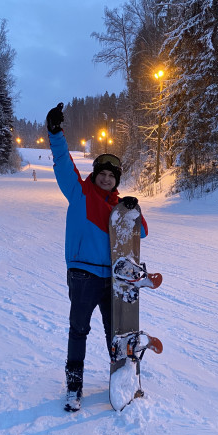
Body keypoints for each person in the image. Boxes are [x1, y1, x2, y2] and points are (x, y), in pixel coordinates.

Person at [46, 103, 148, 412]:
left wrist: (134, 211)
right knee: (79, 329)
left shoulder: (121, 209)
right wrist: (55, 134)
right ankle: (74, 386)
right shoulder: (79, 193)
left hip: (113, 279)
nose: (106, 179)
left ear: (117, 179)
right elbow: (63, 164)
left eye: (111, 175)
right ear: (95, 175)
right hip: (83, 274)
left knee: (115, 332)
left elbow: (141, 234)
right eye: (101, 174)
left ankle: (119, 379)